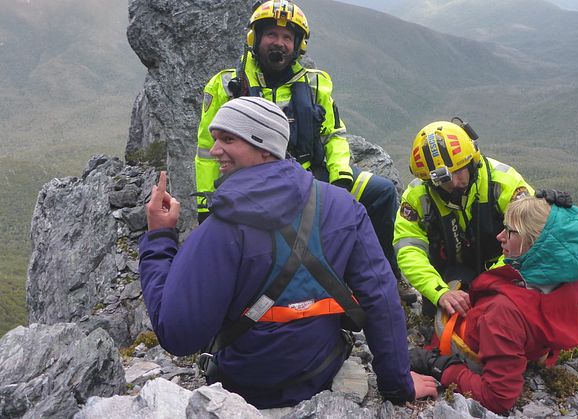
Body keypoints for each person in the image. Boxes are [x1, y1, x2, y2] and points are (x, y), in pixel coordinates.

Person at [141, 97, 437, 408]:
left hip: (243, 386)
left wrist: (160, 237)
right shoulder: (344, 207)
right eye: (216, 139)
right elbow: (381, 298)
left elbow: (177, 335)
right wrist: (397, 383)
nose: (214, 151)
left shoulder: (220, 229)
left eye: (228, 139)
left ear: (265, 146)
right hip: (322, 372)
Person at [194, 0, 405, 295]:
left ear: (298, 45)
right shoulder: (227, 84)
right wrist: (207, 204)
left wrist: (341, 174)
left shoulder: (316, 84)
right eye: (271, 35)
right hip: (257, 184)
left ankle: (389, 275)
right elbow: (207, 149)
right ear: (255, 38)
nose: (278, 44)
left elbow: (333, 135)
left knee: (381, 193)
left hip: (312, 175)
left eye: (287, 38)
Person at [409, 196, 578, 414]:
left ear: (536, 244)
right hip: (518, 345)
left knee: (454, 277)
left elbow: (498, 398)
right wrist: (559, 215)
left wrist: (441, 366)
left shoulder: (502, 312)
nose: (500, 236)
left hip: (463, 348)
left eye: (510, 232)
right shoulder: (572, 283)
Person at [394, 119, 539, 317]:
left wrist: (491, 280)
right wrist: (439, 292)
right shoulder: (418, 196)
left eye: (458, 171)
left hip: (504, 268)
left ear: (472, 161)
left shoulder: (504, 182)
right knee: (440, 313)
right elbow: (408, 249)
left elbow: (532, 236)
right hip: (449, 275)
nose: (454, 182)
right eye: (444, 179)